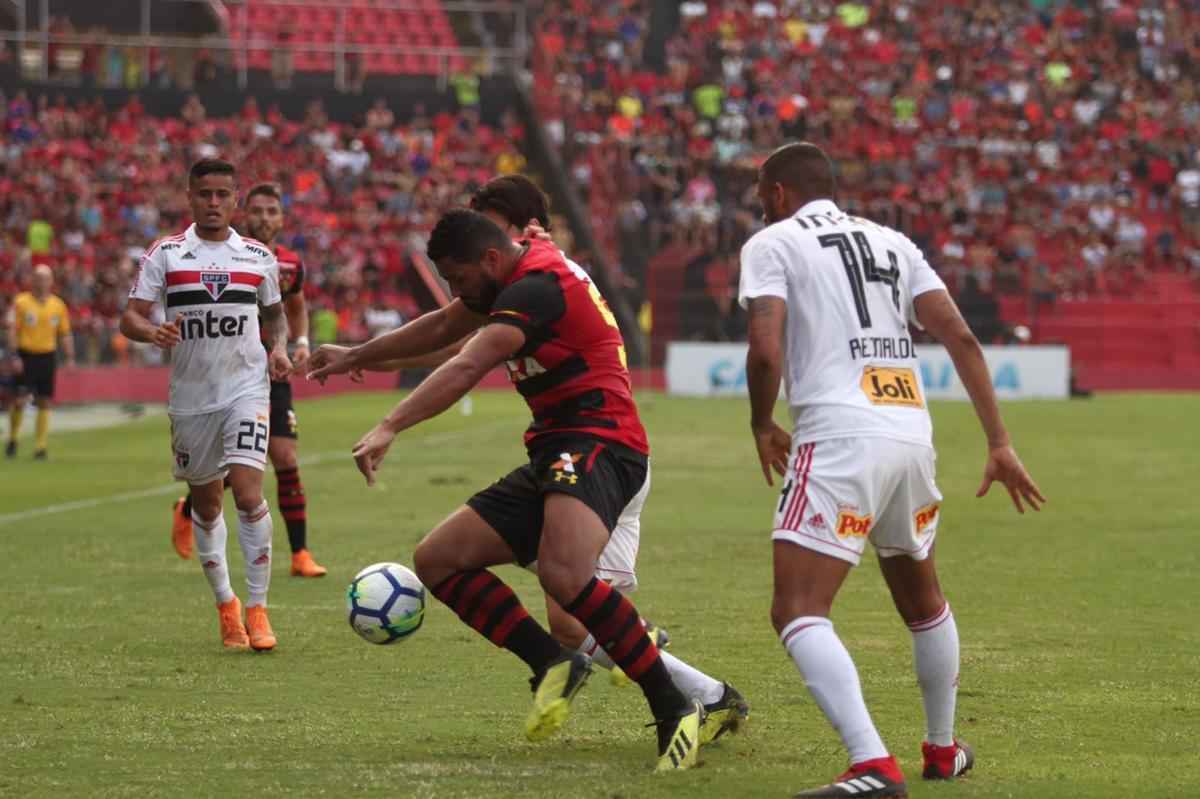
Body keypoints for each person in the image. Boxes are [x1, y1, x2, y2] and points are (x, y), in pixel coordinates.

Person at [312, 175, 748, 742]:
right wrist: (356, 356)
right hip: (558, 448)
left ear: (503, 243)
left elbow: (468, 364)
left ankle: (683, 703)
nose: (459, 289)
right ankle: (569, 664)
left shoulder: (538, 283)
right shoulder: (513, 277)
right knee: (442, 560)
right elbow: (448, 327)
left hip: (600, 444)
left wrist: (390, 424)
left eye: (464, 272)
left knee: (571, 595)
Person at [739, 143, 1045, 798]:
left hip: (840, 437)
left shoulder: (774, 241)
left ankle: (873, 764)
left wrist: (763, 422)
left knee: (797, 609)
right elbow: (960, 335)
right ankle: (941, 748)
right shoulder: (893, 243)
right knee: (921, 598)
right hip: (910, 434)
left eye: (762, 190)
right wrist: (998, 440)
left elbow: (765, 348)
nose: (760, 202)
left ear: (782, 192)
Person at [120, 158, 292, 651]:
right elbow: (130, 317)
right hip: (192, 398)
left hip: (247, 388)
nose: (214, 203)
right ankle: (226, 605)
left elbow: (275, 316)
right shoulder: (167, 254)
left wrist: (278, 348)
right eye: (205, 195)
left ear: (234, 199)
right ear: (190, 198)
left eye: (222, 194)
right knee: (208, 502)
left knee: (247, 493)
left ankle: (258, 610)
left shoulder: (258, 257)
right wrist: (153, 331)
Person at [169, 182, 327, 578]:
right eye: (257, 211)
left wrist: (301, 342)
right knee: (228, 471)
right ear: (244, 213)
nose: (265, 218)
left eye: (273, 211)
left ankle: (300, 553)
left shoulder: (289, 263)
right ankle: (190, 507)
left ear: (282, 217)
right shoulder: (221, 259)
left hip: (270, 372)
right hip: (223, 374)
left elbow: (295, 307)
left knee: (285, 457)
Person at [7, 264, 75, 460]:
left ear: (51, 281)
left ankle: (40, 447)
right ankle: (13, 438)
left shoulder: (58, 305)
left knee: (44, 401)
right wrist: (14, 356)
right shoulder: (21, 302)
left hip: (47, 356)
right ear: (32, 280)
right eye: (38, 278)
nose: (42, 282)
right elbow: (12, 330)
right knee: (19, 400)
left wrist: (70, 357)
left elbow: (65, 334)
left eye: (46, 278)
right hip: (25, 355)